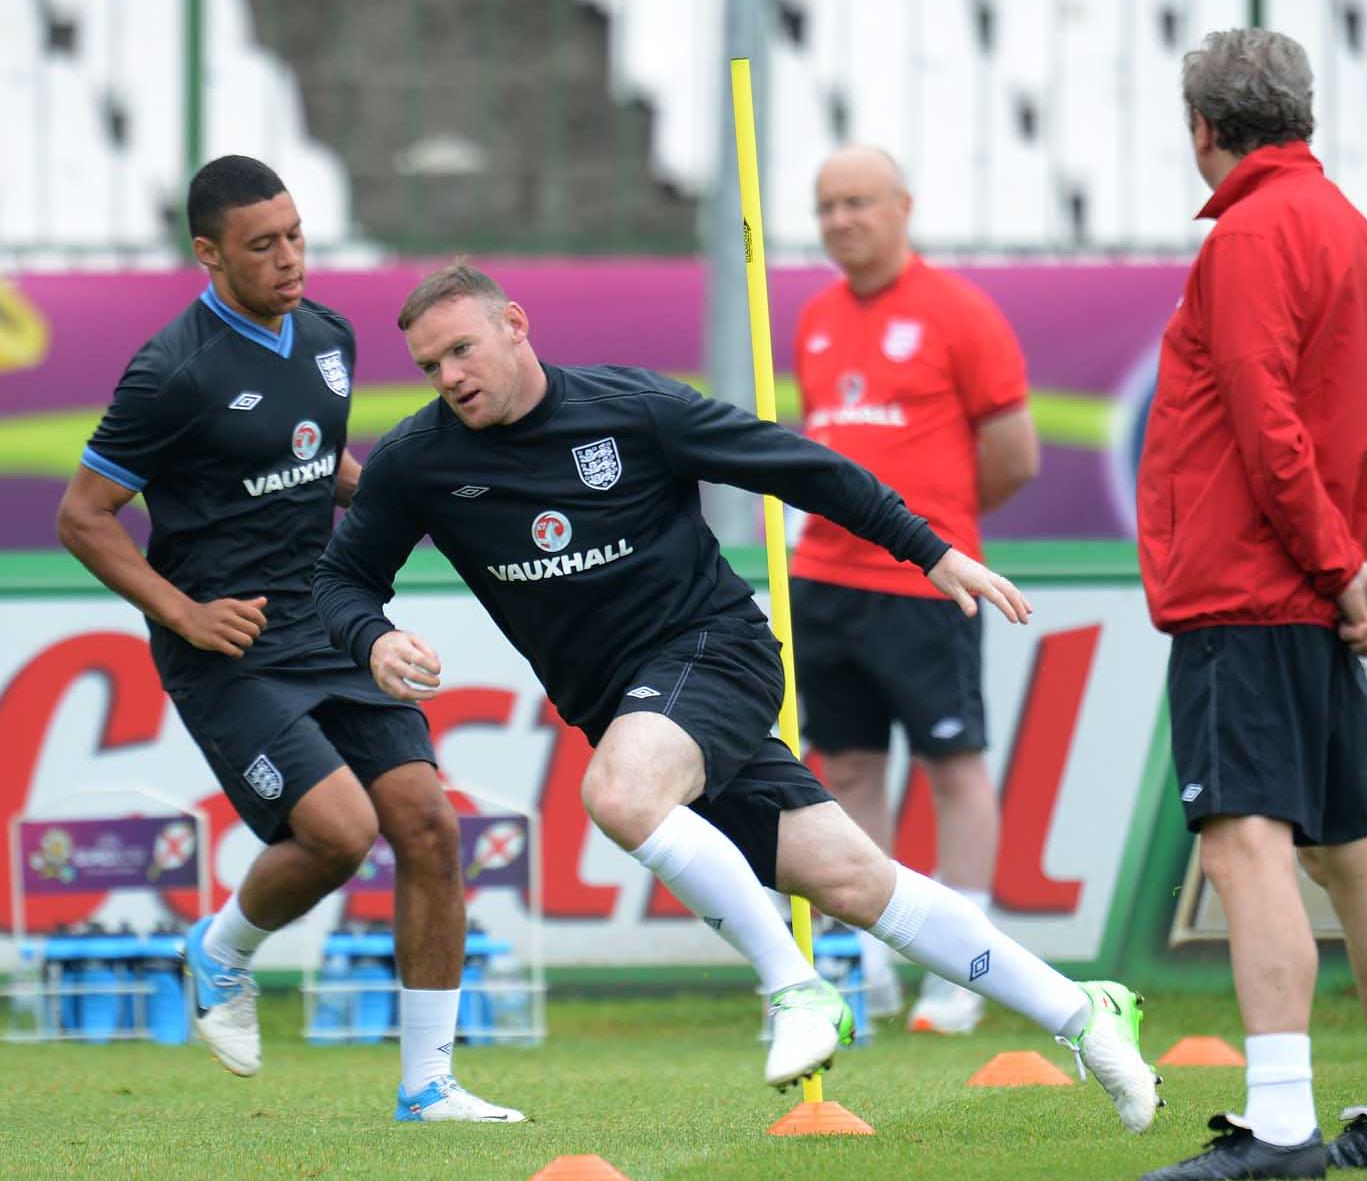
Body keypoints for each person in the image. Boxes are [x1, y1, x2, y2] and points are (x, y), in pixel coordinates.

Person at [312, 262, 1161, 1133]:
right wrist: (370, 638)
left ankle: (797, 988)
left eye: (461, 349)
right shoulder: (419, 461)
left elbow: (804, 468)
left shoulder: (634, 408)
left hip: (715, 651)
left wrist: (928, 549)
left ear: (515, 325)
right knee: (854, 878)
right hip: (629, 706)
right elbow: (339, 580)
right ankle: (1084, 1012)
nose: (449, 376)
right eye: (429, 365)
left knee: (619, 792)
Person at [56, 156, 523, 1124]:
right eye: (262, 244)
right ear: (207, 253)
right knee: (341, 832)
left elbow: (318, 462)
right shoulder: (170, 369)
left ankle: (428, 1083)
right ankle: (219, 950)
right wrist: (182, 613)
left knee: (429, 828)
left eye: (296, 234)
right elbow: (84, 515)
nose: (288, 258)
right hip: (224, 646)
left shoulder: (326, 336)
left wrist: (414, 501)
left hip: (323, 621)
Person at [1135, 30, 1367, 1181]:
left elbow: (1262, 424)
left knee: (1242, 847)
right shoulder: (1356, 236)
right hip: (1312, 592)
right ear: (1301, 115)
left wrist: (1335, 569)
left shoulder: (1247, 237)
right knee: (1351, 853)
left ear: (1201, 128)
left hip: (1247, 585)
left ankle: (1276, 1127)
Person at [790, 145, 1041, 1034]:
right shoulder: (816, 318)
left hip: (926, 586)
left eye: (859, 202)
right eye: (826, 207)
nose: (841, 221)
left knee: (953, 764)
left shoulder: (960, 313)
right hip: (822, 576)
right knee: (848, 767)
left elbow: (1013, 456)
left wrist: (936, 533)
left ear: (903, 205)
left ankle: (964, 965)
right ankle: (865, 958)